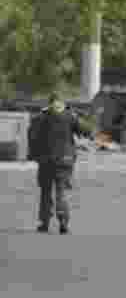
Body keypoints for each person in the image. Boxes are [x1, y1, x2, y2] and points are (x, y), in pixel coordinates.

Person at [27, 95, 90, 234]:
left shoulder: (40, 117)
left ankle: (44, 223)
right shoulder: (70, 116)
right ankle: (63, 222)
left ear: (49, 104)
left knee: (45, 192)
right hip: (65, 160)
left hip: (46, 161)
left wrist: (32, 155)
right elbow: (86, 130)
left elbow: (32, 136)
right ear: (62, 103)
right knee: (61, 191)